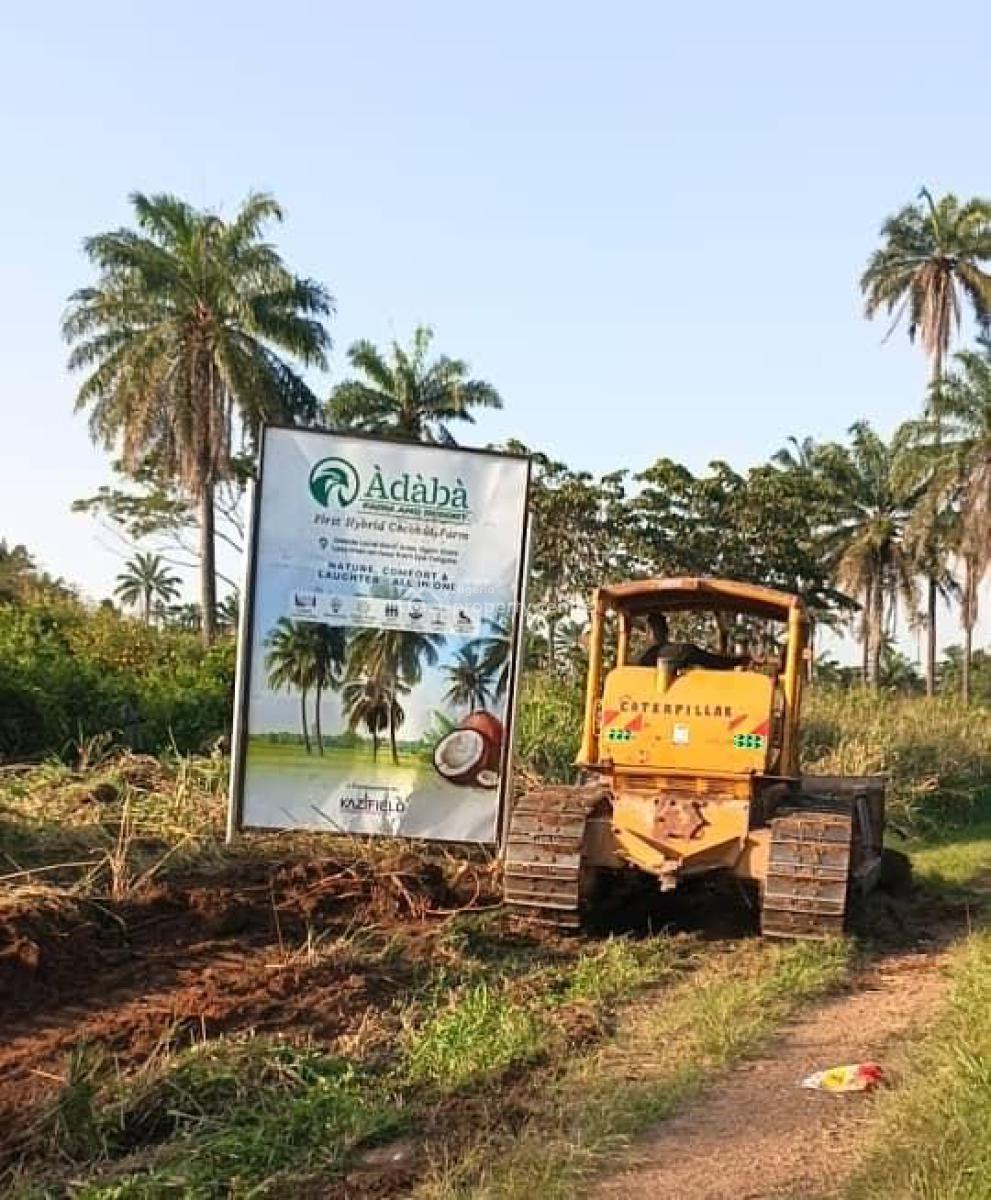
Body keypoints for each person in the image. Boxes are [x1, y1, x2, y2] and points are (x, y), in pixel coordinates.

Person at [637, 612, 751, 671]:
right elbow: (714, 661)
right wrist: (739, 660)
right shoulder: (680, 651)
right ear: (667, 630)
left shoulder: (638, 660)